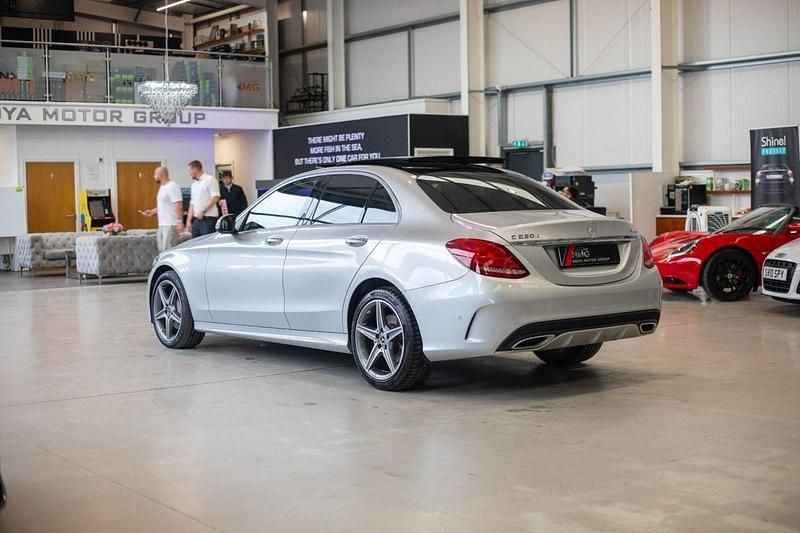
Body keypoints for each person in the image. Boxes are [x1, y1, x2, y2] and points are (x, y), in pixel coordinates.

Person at [139, 166, 183, 251]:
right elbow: (163, 205)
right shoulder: (163, 187)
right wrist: (152, 211)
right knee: (162, 250)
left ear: (160, 175)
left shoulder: (172, 186)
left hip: (170, 223)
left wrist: (179, 222)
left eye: (155, 174)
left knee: (169, 249)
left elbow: (178, 204)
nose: (154, 176)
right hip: (162, 224)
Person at [186, 160, 220, 238]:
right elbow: (192, 203)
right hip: (196, 220)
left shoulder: (210, 179)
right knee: (194, 244)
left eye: (189, 171)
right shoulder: (194, 184)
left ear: (195, 169)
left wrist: (203, 210)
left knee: (207, 244)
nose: (189, 173)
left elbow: (215, 197)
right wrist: (188, 221)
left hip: (208, 219)